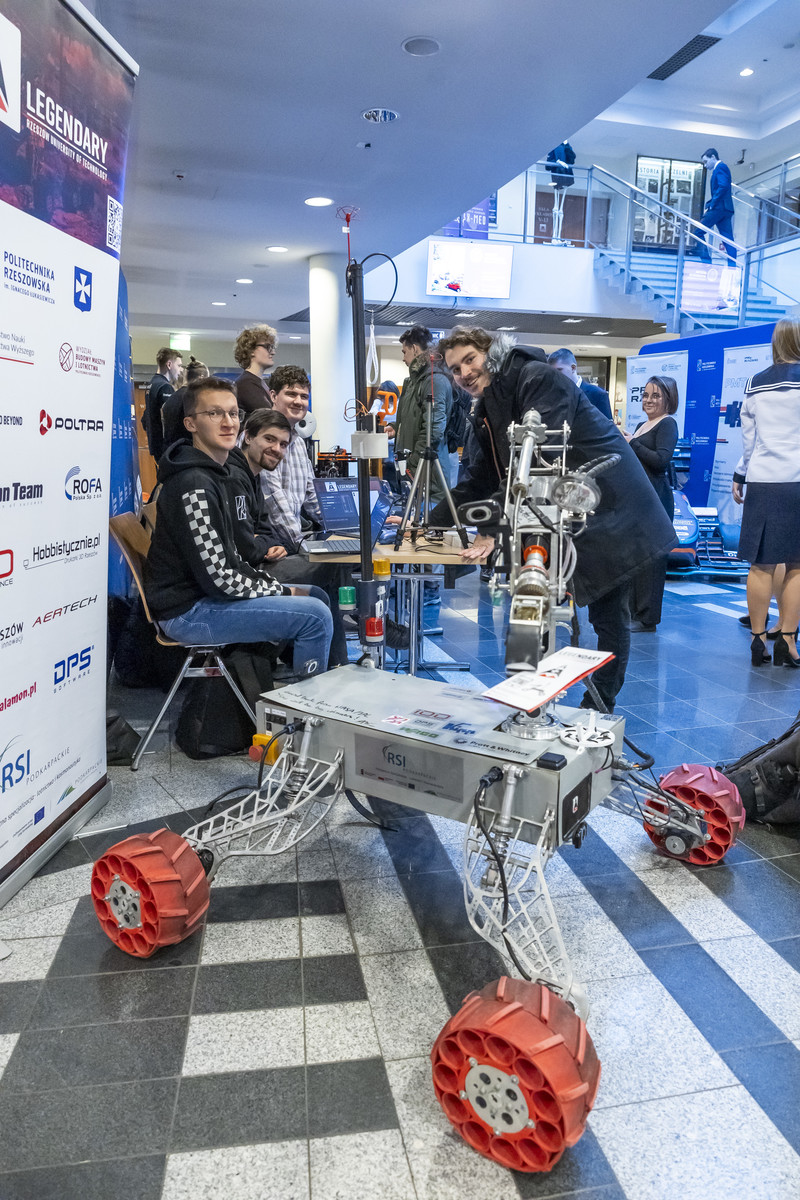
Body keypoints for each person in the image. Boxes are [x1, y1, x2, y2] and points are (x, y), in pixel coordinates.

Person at [429, 327, 677, 712]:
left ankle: (598, 709)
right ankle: (531, 702)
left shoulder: (537, 379)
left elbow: (533, 462)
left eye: (470, 360)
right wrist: (429, 521)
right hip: (559, 512)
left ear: (490, 352)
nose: (464, 373)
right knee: (535, 605)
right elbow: (483, 475)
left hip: (609, 505)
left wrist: (491, 529)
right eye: (455, 369)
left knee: (608, 618)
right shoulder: (489, 405)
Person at [144, 376, 332, 678]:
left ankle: (292, 683)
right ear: (191, 424)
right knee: (316, 615)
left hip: (207, 598)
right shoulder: (195, 484)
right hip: (189, 612)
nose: (228, 422)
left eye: (233, 413)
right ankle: (309, 705)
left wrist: (277, 588)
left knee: (316, 596)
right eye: (214, 413)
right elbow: (220, 578)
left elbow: (233, 557)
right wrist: (279, 588)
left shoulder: (215, 474)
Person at [232, 408, 349, 666]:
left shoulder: (252, 475)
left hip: (258, 561)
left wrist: (267, 542)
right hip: (246, 575)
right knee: (328, 564)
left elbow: (263, 530)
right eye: (269, 439)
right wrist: (263, 544)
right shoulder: (234, 476)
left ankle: (331, 661)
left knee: (330, 567)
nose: (276, 449)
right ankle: (336, 661)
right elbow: (245, 546)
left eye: (283, 444)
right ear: (248, 437)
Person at [733, 318, 800, 669]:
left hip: (761, 480)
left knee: (760, 564)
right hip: (797, 481)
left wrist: (740, 475)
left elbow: (749, 441)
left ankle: (758, 639)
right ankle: (787, 640)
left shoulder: (754, 383)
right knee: (797, 564)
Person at [623, 376, 679, 631]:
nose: (648, 400)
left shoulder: (668, 424)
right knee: (637, 557)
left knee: (652, 560)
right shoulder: (642, 425)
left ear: (668, 399)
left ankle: (647, 618)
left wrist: (632, 443)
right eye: (645, 395)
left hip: (656, 499)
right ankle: (634, 611)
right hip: (638, 498)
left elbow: (660, 461)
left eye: (655, 396)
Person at [260, 365, 322, 547]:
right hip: (270, 546)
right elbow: (274, 502)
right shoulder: (262, 437)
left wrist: (350, 528)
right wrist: (303, 547)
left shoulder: (299, 443)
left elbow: (312, 497)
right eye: (291, 394)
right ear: (273, 396)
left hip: (292, 541)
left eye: (304, 396)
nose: (298, 402)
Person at [390, 326, 453, 503]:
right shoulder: (413, 382)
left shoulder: (434, 380)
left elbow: (434, 429)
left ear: (415, 348)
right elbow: (413, 417)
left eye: (404, 352)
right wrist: (395, 427)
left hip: (429, 472)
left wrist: (414, 462)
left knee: (431, 518)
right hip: (414, 469)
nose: (403, 358)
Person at [547, 349, 613, 420]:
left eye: (559, 370)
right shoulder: (553, 394)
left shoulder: (597, 394)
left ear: (573, 368)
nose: (555, 375)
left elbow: (608, 426)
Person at [143, 347, 183, 461]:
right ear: (169, 364)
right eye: (179, 365)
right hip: (165, 448)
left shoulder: (151, 384)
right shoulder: (165, 387)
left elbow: (145, 418)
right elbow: (171, 420)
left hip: (155, 445)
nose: (181, 370)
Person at [697, 149, 736, 265]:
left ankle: (706, 260)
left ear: (713, 157)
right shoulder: (720, 168)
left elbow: (723, 186)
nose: (705, 165)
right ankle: (732, 266)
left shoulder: (720, 167)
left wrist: (712, 204)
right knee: (728, 239)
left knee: (697, 232)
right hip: (725, 209)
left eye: (706, 161)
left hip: (719, 208)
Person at [161, 356, 209, 449]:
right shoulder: (195, 399)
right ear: (201, 377)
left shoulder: (171, 399)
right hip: (190, 451)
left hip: (171, 451)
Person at [233, 324, 278, 416]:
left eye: (272, 347)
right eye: (268, 347)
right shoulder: (245, 383)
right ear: (251, 350)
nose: (273, 352)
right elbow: (269, 417)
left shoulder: (259, 382)